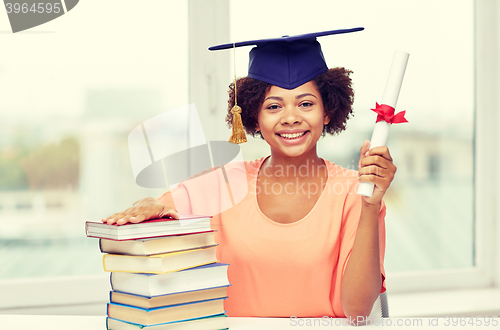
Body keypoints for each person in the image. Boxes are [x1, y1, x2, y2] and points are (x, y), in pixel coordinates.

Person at [102, 28, 397, 321]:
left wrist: (370, 207)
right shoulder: (223, 185)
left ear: (328, 111)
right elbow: (161, 213)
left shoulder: (356, 193)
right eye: (274, 106)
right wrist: (150, 207)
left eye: (306, 103)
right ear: (254, 115)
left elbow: (358, 312)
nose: (291, 117)